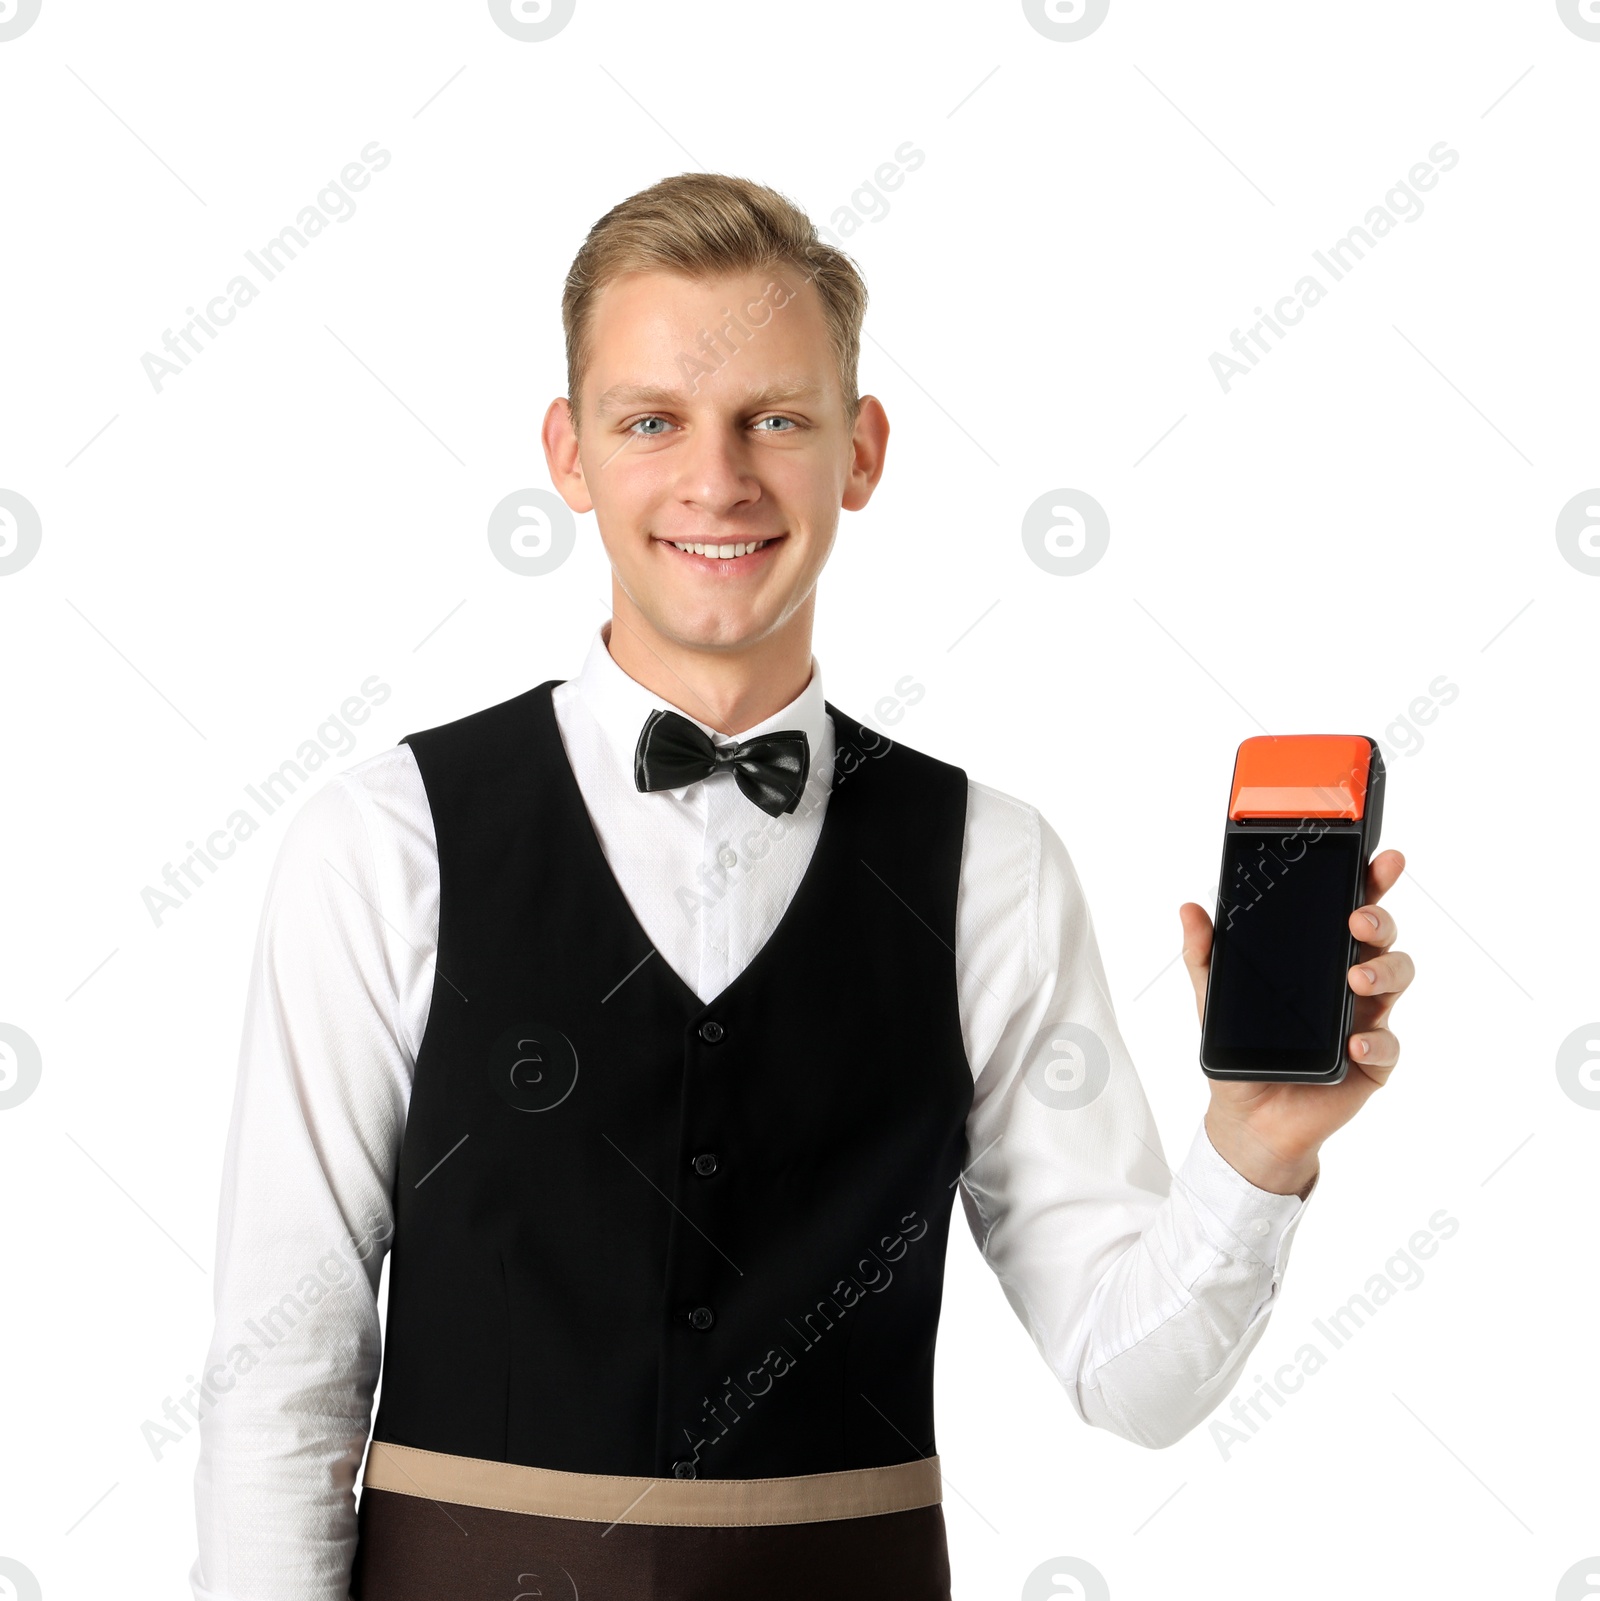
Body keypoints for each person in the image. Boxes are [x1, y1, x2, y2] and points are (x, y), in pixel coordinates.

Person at [189, 172, 1413, 1601]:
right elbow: (281, 1375)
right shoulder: (383, 840)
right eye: (654, 420)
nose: (718, 480)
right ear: (569, 453)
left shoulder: (992, 866)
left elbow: (1130, 1378)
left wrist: (1256, 1147)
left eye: (775, 418)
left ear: (862, 451)